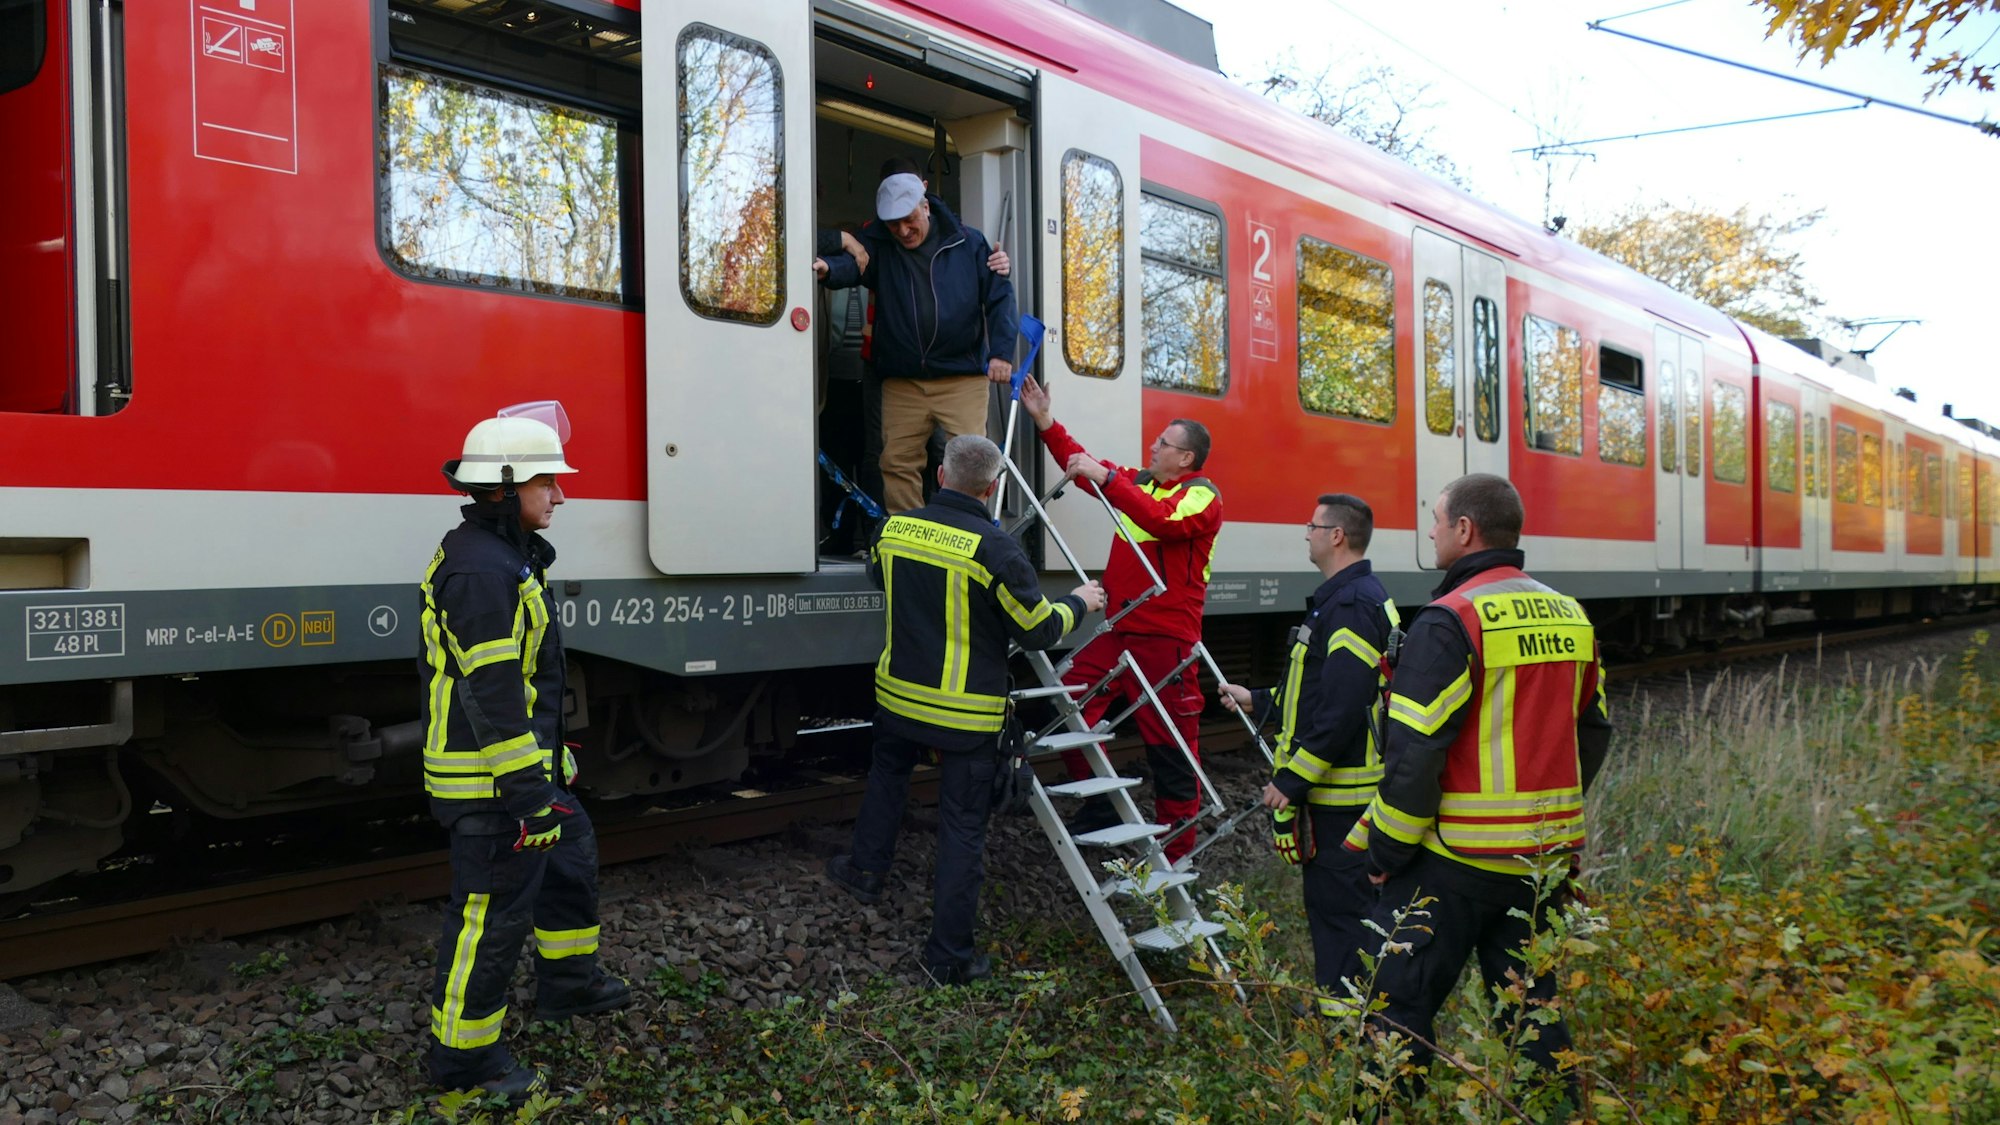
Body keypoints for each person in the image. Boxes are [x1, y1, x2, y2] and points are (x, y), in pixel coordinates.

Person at [1343, 473, 1611, 1100]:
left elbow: (1414, 759)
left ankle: (1385, 1113)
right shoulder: (1571, 616)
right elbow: (1592, 732)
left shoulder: (1450, 620)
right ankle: (1550, 1112)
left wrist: (1386, 856)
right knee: (1530, 1010)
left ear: (1465, 530)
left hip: (1455, 859)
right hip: (1542, 860)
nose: (1431, 530)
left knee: (1395, 1007)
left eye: (1436, 520)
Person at [824, 434, 1105, 984]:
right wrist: (1080, 602)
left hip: (899, 698)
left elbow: (883, 580)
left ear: (939, 475)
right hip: (965, 717)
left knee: (887, 779)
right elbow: (1037, 631)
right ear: (993, 486)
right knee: (961, 828)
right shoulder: (997, 550)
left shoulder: (892, 530)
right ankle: (948, 957)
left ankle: (864, 871)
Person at [420, 405, 631, 1102]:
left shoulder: (503, 557)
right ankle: (464, 1062)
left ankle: (568, 985)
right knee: (491, 917)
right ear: (507, 488)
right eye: (549, 483)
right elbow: (494, 698)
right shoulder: (484, 574)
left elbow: (525, 683)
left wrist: (552, 763)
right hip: (491, 785)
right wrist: (528, 794)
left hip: (521, 770)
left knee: (570, 854)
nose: (562, 496)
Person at [1016, 375, 1221, 866]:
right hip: (1122, 630)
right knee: (1064, 704)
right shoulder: (1144, 484)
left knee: (1170, 748)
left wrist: (1109, 480)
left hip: (1166, 641)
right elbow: (1089, 467)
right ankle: (1103, 804)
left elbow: (1160, 520)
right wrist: (1045, 419)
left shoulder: (1202, 496)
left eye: (1163, 443)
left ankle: (1177, 856)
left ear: (1186, 458)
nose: (1153, 446)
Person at [1217, 494, 1397, 1017]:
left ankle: (1352, 1027)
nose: (1306, 533)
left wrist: (1292, 780)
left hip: (1345, 802)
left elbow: (1340, 711)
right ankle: (1351, 1015)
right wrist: (1259, 700)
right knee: (1338, 913)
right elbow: (1318, 692)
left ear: (1336, 535)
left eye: (1313, 526)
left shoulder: (1350, 606)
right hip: (1342, 797)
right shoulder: (1347, 598)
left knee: (1343, 915)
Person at [815, 170, 1017, 514]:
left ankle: (963, 532)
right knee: (897, 464)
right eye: (893, 225)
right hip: (904, 380)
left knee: (970, 466)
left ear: (925, 207)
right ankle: (908, 538)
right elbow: (855, 264)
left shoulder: (969, 242)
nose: (903, 231)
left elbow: (999, 296)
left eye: (909, 221)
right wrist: (829, 269)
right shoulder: (880, 244)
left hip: (962, 378)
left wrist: (1000, 354)